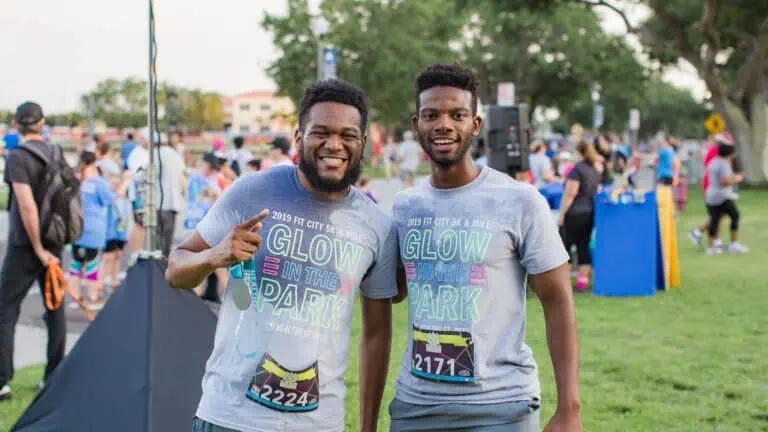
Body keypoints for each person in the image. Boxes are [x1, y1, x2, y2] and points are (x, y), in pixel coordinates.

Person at [166, 79, 398, 432]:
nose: (333, 144)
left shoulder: (376, 226)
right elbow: (175, 270)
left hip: (319, 424)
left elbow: (377, 335)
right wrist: (214, 255)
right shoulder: (251, 190)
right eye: (320, 132)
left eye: (347, 135)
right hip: (229, 418)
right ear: (298, 137)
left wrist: (367, 427)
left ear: (363, 143)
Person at [388, 63, 581, 432]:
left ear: (475, 125)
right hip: (416, 406)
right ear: (416, 126)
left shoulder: (519, 200)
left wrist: (569, 408)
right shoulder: (404, 207)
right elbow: (393, 290)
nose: (443, 124)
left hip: (500, 408)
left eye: (457, 115)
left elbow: (558, 301)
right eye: (431, 115)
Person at [0, 102, 67, 400]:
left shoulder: (17, 157)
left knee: (5, 309)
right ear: (42, 124)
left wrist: (38, 249)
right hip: (55, 239)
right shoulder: (55, 152)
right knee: (55, 309)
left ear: (17, 124)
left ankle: (3, 380)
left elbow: (26, 206)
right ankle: (54, 376)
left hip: (27, 246)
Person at [68, 151, 118, 310]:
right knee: (92, 265)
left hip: (76, 228)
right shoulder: (99, 183)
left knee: (76, 263)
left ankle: (75, 298)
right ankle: (92, 298)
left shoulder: (77, 180)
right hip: (94, 229)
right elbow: (110, 199)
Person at [557, 140, 602, 292]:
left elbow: (570, 193)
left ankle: (564, 283)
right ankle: (582, 282)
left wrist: (562, 214)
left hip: (574, 213)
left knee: (565, 248)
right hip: (589, 212)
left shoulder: (576, 170)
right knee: (584, 247)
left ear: (578, 152)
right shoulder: (594, 170)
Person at [704, 143, 748, 255]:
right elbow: (724, 181)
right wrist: (738, 178)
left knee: (715, 220)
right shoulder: (724, 164)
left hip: (711, 196)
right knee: (735, 216)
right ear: (729, 153)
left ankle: (711, 248)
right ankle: (734, 244)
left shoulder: (713, 162)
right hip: (722, 197)